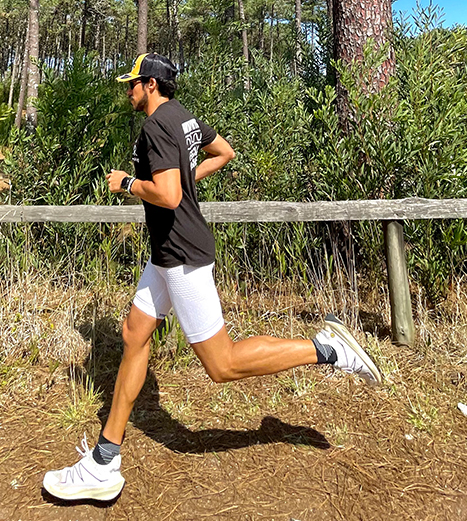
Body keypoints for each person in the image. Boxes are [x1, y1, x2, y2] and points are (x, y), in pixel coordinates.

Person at [42, 53, 382, 502]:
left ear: (151, 85)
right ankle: (104, 461)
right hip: (166, 254)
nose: (128, 91)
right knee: (133, 333)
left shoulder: (156, 126)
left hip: (182, 254)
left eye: (132, 84)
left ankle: (329, 350)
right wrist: (184, 178)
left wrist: (127, 184)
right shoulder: (184, 118)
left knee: (221, 365)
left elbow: (166, 193)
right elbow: (224, 152)